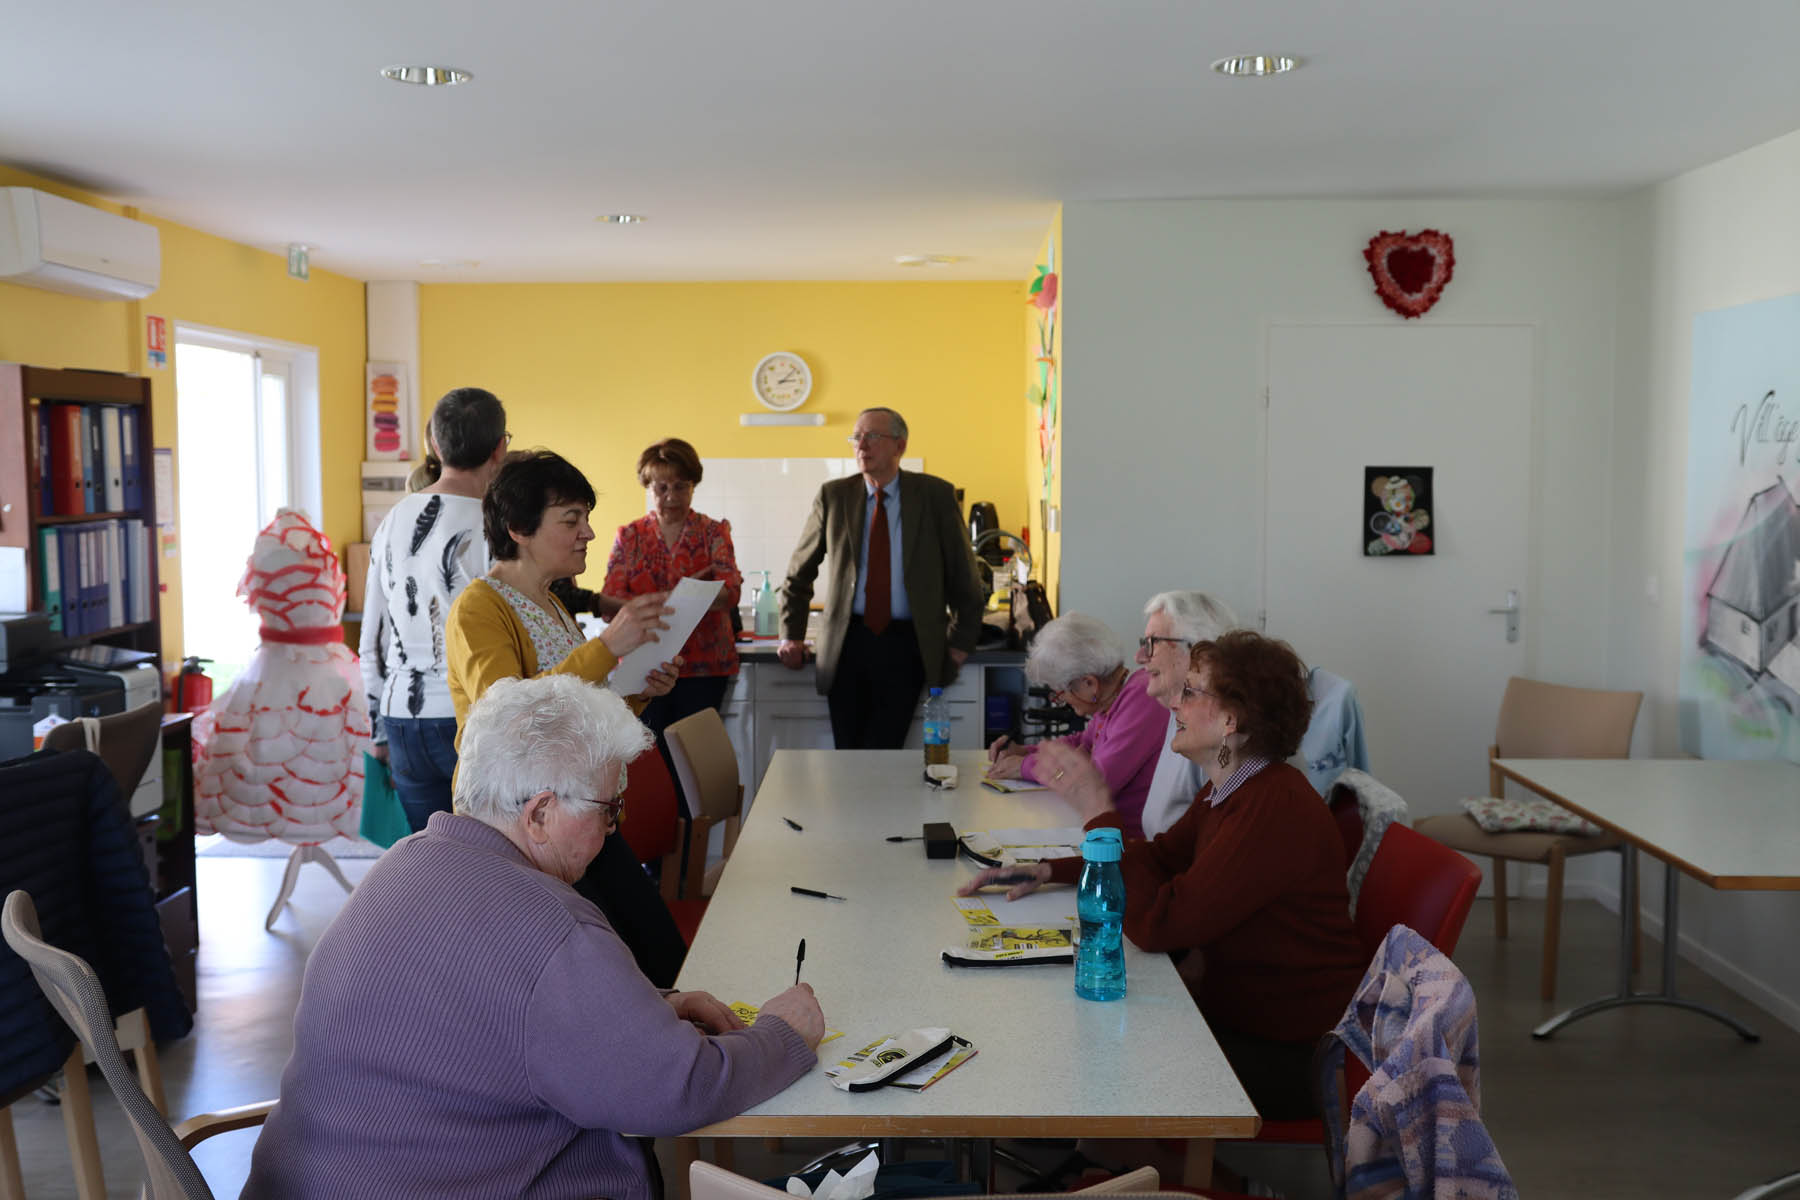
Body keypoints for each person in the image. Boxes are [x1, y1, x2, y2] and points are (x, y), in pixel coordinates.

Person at [243, 675, 824, 1200]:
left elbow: (487, 1016)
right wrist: (784, 1035)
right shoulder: (552, 926)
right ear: (540, 814)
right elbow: (679, 1088)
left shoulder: (400, 866)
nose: (613, 828)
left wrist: (648, 1009)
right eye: (609, 808)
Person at [961, 630, 1364, 1119]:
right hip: (1242, 1018)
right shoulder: (1233, 788)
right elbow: (1159, 857)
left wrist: (1099, 814)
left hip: (1291, 1052)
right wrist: (1052, 869)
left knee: (1089, 1048)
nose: (1174, 703)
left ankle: (1131, 1159)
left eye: (1191, 692)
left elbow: (1160, 924)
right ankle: (1108, 1154)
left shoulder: (1271, 805)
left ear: (1232, 719)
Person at [445, 448, 691, 986]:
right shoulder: (480, 606)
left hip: (577, 817)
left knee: (655, 956)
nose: (588, 533)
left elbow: (575, 711)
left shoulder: (551, 603)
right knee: (617, 969)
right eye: (571, 519)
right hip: (527, 830)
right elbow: (505, 715)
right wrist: (607, 648)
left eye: (587, 518)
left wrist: (638, 692)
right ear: (519, 529)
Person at [777, 407, 984, 748]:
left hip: (908, 643)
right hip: (846, 642)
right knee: (848, 750)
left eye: (872, 436)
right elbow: (799, 572)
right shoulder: (834, 496)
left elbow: (964, 576)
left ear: (900, 446)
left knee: (885, 749)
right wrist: (791, 634)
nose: (861, 445)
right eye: (856, 437)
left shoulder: (934, 496)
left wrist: (961, 642)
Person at [359, 386, 510, 832]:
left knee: (432, 858)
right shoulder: (495, 527)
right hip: (468, 717)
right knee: (490, 856)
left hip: (400, 717)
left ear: (434, 445)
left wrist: (378, 728)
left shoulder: (391, 520)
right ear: (500, 449)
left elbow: (372, 639)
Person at [601, 437, 743, 810]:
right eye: (661, 487)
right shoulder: (629, 536)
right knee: (650, 765)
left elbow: (731, 591)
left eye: (681, 486)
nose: (671, 496)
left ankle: (690, 841)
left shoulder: (713, 531)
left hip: (703, 667)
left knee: (694, 768)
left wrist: (691, 595)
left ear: (693, 486)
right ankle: (661, 844)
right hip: (644, 666)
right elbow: (609, 600)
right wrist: (658, 603)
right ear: (647, 488)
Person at [984, 613, 1167, 838]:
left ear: (1089, 683)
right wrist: (1025, 750)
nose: (1059, 700)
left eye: (1060, 693)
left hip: (1131, 842)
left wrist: (1024, 766)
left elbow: (1095, 781)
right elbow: (1082, 742)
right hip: (1100, 829)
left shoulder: (1142, 696)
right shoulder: (1113, 700)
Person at [1133, 591, 1238, 838]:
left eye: (1151, 643)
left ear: (1196, 651)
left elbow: (1214, 849)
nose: (1139, 657)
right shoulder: (1178, 715)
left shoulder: (1217, 728)